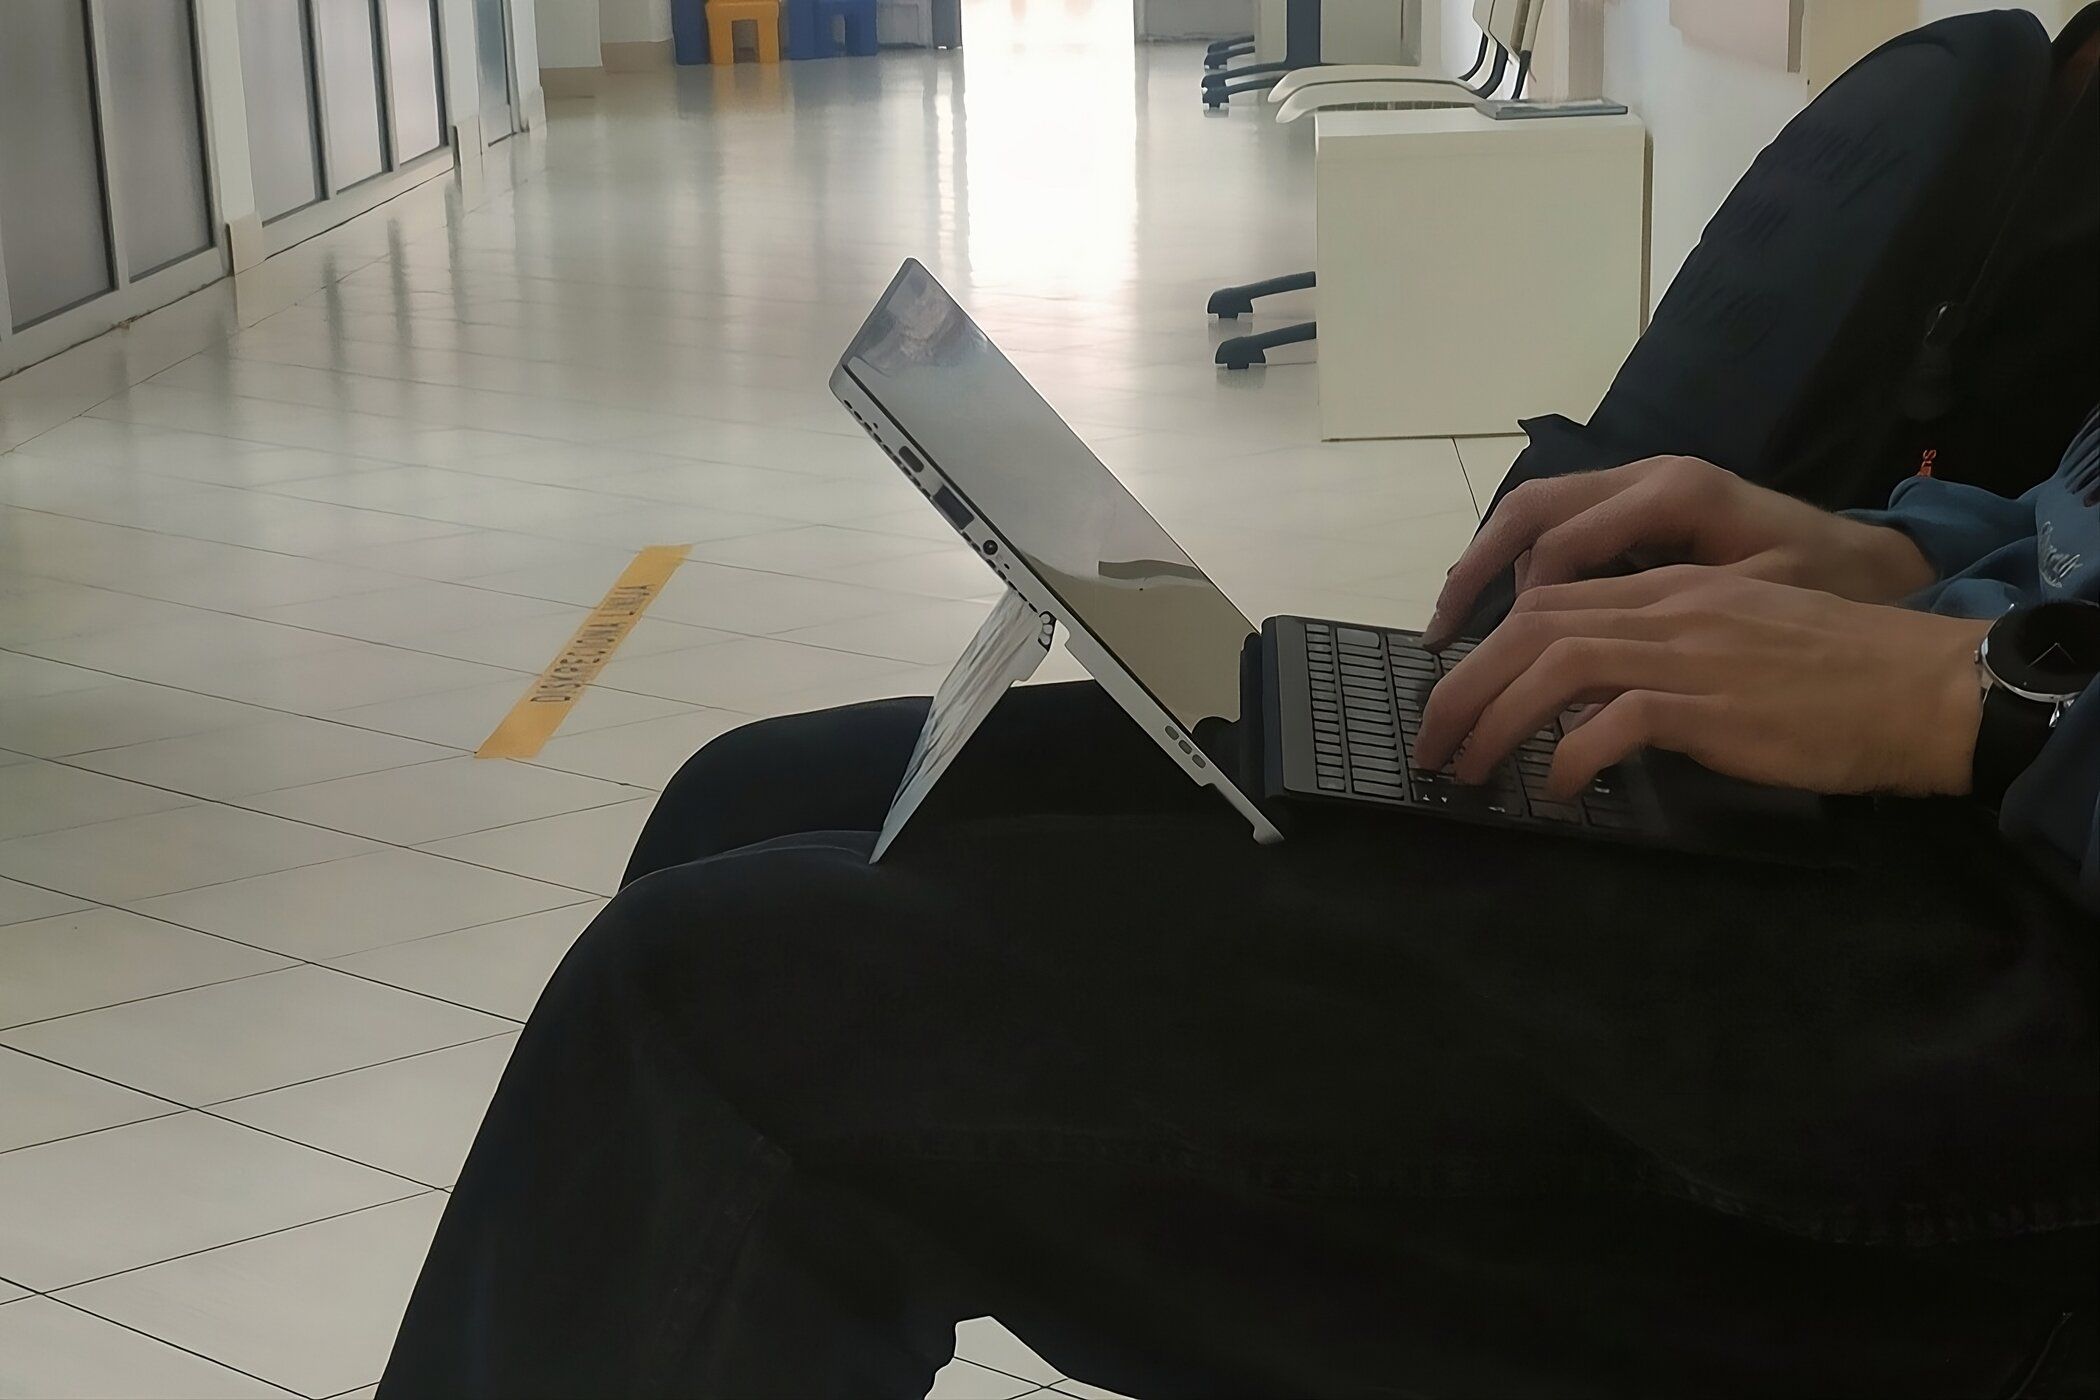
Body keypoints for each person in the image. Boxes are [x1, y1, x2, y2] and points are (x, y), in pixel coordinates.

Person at [379, 410, 2099, 1399]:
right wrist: (1923, 563)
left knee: (724, 1019)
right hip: (1922, 810)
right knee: (761, 797)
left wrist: (2005, 704)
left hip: (2011, 1028)